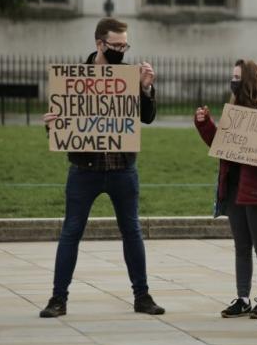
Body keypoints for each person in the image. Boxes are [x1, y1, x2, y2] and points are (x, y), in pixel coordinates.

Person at [39, 17, 164, 317]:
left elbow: (147, 118)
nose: (122, 50)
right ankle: (58, 299)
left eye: (125, 45)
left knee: (132, 230)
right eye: (116, 45)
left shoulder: (128, 77)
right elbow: (65, 125)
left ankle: (142, 296)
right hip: (85, 170)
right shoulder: (74, 79)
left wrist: (146, 89)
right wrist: (52, 126)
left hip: (122, 168)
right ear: (99, 44)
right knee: (71, 231)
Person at [194, 59, 257, 319]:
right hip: (235, 184)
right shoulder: (235, 110)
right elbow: (222, 144)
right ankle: (242, 296)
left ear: (248, 80)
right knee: (241, 244)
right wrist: (205, 124)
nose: (232, 81)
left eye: (237, 77)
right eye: (232, 76)